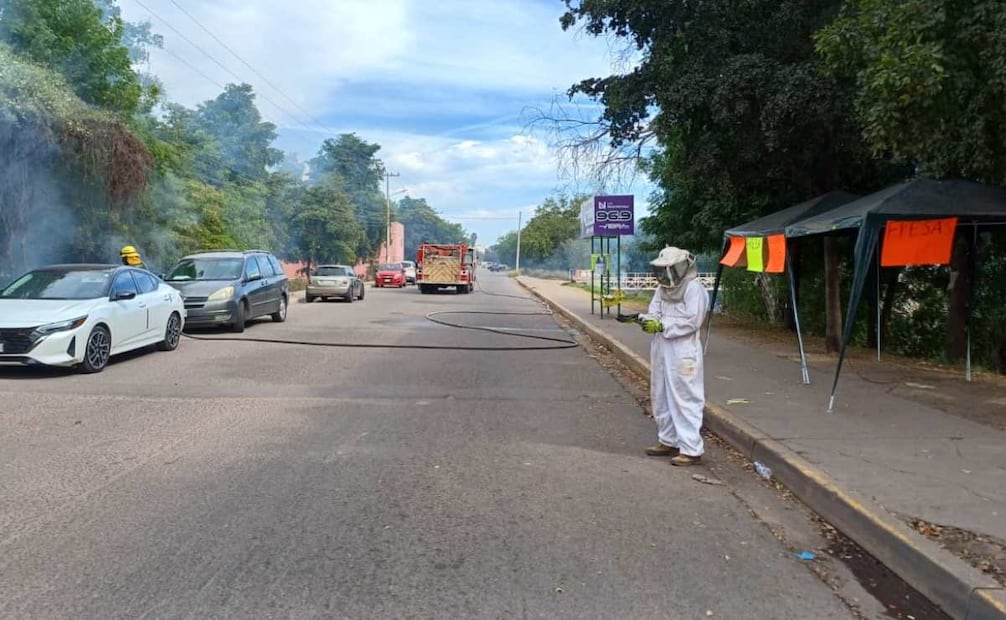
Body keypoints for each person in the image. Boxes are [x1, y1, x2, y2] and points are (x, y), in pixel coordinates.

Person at [639, 246, 709, 466]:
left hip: (683, 350)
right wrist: (643, 320)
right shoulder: (662, 290)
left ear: (680, 267)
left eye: (669, 269)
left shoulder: (694, 289)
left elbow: (692, 320)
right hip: (661, 345)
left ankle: (691, 449)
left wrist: (662, 324)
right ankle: (667, 439)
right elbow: (654, 311)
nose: (665, 275)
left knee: (685, 396)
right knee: (660, 393)